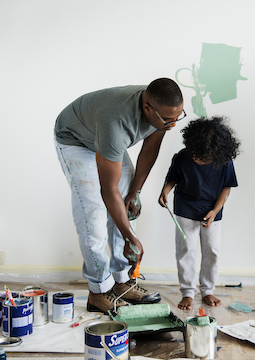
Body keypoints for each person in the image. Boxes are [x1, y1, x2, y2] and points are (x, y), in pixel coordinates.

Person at [54, 78, 185, 312]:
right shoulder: (115, 122)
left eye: (178, 117)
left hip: (101, 138)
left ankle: (122, 281)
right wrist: (130, 237)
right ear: (147, 108)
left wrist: (135, 192)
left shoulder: (163, 113)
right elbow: (109, 190)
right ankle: (99, 291)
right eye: (168, 120)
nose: (173, 124)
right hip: (75, 140)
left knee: (126, 204)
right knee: (92, 215)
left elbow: (150, 149)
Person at [158, 117, 240, 310]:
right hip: (185, 208)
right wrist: (165, 191)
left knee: (212, 250)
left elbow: (227, 188)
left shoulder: (224, 162)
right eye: (195, 154)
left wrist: (214, 211)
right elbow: (172, 179)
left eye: (204, 158)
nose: (198, 159)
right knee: (186, 250)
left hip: (212, 210)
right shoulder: (181, 157)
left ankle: (207, 290)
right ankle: (188, 292)